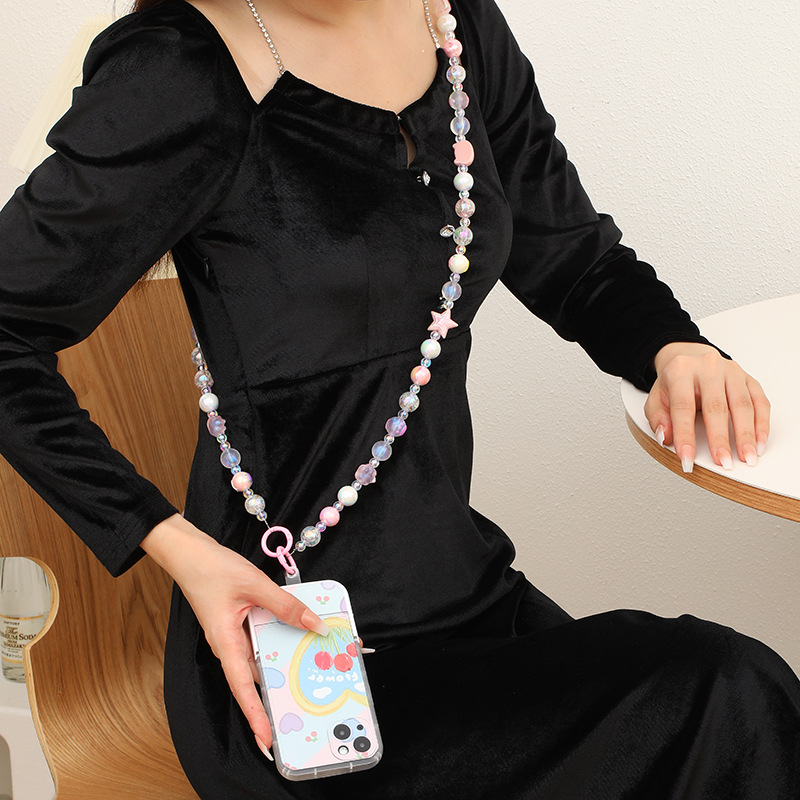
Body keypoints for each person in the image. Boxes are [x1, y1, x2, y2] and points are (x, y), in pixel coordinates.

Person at [1, 0, 798, 797]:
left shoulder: (454, 23)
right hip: (287, 652)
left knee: (718, 728)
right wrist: (177, 546)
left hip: (470, 598)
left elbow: (571, 256)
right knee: (724, 690)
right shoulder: (183, 70)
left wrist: (671, 346)